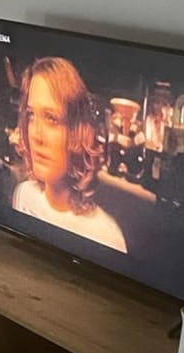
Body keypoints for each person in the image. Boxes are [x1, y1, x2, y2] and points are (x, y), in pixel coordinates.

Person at [11, 56, 128, 254]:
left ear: (79, 132)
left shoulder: (107, 237)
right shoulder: (24, 194)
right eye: (31, 115)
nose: (36, 135)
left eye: (52, 118)